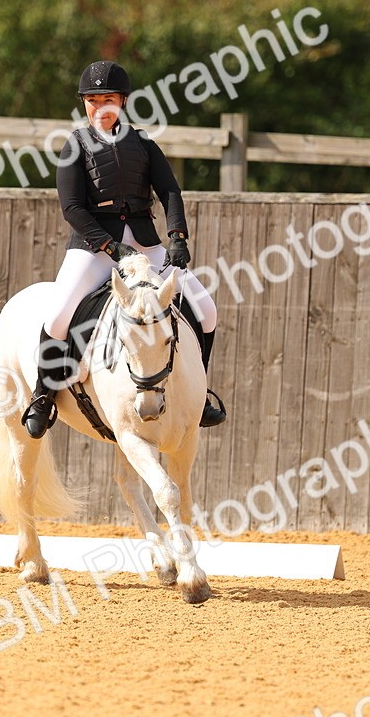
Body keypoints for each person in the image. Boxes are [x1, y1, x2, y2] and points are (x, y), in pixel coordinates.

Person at [20, 60, 226, 439]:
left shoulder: (142, 142)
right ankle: (43, 395)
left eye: (109, 99)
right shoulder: (74, 146)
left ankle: (200, 393)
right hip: (94, 249)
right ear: (84, 103)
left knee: (206, 310)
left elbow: (169, 191)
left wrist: (177, 236)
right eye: (93, 101)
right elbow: (72, 208)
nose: (101, 108)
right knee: (59, 316)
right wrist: (110, 247)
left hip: (146, 246)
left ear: (123, 102)